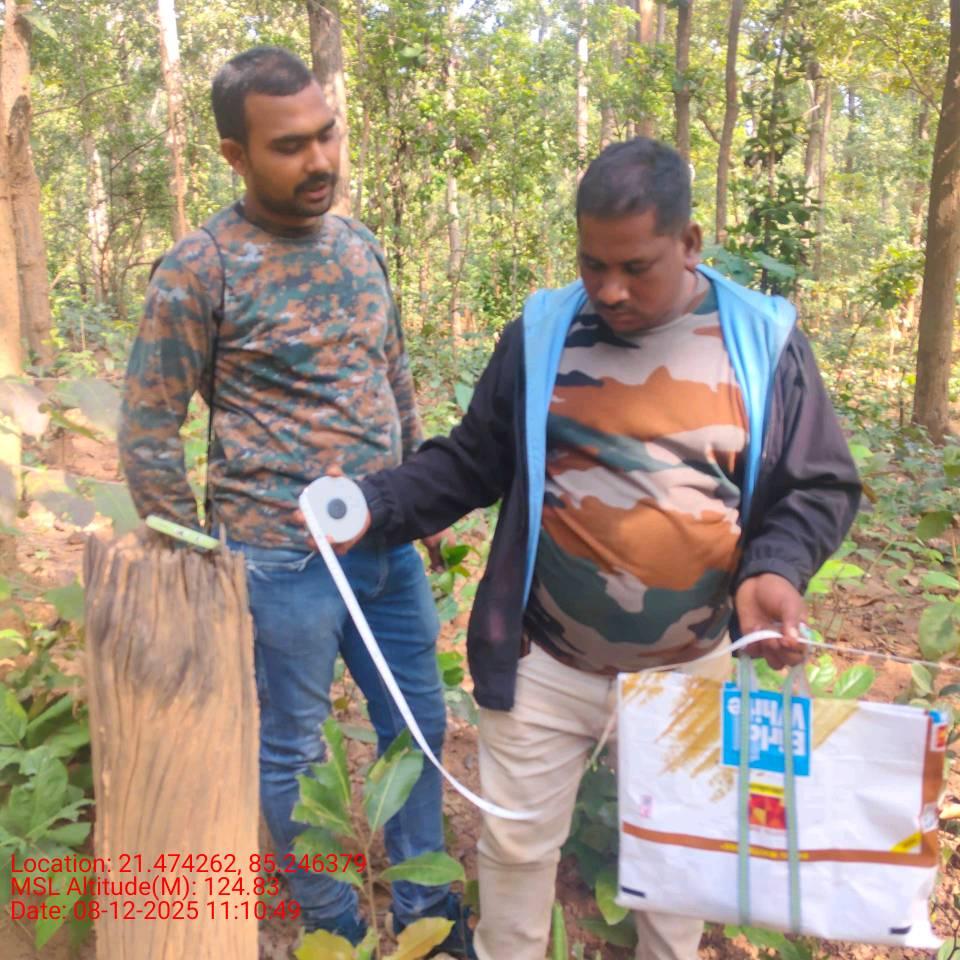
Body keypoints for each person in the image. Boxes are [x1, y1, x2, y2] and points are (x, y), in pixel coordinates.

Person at [336, 137, 862, 960]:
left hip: (690, 667)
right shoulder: (544, 333)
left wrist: (775, 567)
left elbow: (818, 485)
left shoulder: (761, 340)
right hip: (547, 662)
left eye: (636, 267)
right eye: (593, 264)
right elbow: (474, 459)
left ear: (690, 244)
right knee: (514, 852)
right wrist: (375, 504)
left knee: (677, 873)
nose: (610, 290)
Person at [117, 46, 473, 957]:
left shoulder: (359, 246)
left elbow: (393, 378)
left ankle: (430, 918)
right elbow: (149, 426)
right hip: (279, 563)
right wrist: (198, 559)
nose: (319, 160)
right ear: (235, 155)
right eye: (289, 146)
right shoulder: (201, 268)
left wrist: (418, 501)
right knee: (295, 752)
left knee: (417, 725)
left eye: (326, 135)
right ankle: (333, 925)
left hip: (384, 545)